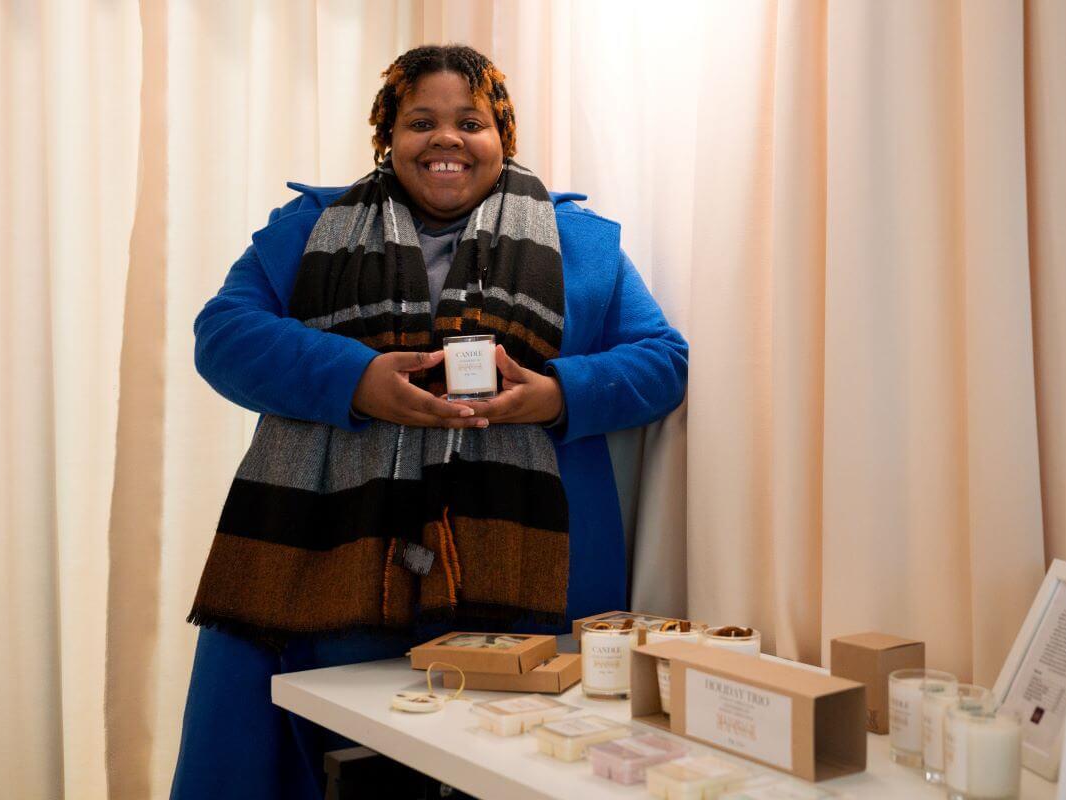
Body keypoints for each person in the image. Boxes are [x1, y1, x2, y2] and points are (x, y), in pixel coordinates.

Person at [168, 44, 688, 800]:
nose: (445, 139)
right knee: (336, 769)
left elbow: (661, 359)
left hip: (524, 581)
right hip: (326, 573)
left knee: (504, 772)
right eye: (421, 122)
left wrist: (558, 393)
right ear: (388, 137)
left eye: (469, 121)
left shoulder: (581, 243)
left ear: (502, 135)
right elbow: (222, 336)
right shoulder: (310, 228)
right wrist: (354, 380)